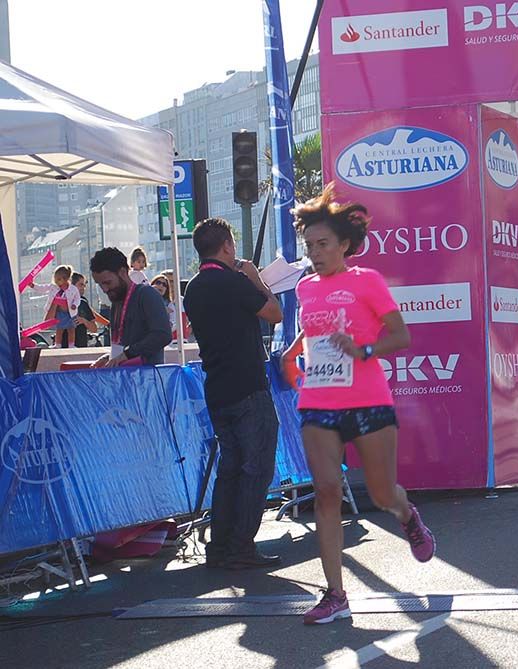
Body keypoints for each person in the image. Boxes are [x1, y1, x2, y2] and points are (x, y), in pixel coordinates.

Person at [279, 186, 436, 625]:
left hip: (368, 401)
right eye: (309, 246)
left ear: (344, 244)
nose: (315, 253)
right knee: (327, 493)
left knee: (384, 494)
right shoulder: (305, 287)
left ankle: (407, 517)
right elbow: (316, 330)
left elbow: (400, 337)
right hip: (319, 403)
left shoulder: (367, 281)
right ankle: (335, 594)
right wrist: (293, 352)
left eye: (323, 244)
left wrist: (363, 349)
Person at [183, 219, 284, 569]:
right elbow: (274, 313)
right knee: (256, 469)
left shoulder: (192, 287)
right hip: (248, 386)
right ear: (227, 246)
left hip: (218, 388)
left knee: (230, 469)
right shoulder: (234, 281)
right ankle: (241, 546)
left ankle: (220, 546)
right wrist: (256, 279)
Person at [89, 248, 171, 367]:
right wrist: (110, 357)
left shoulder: (146, 294)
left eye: (107, 282)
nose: (104, 289)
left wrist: (127, 354)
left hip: (146, 379)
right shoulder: (116, 303)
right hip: (123, 379)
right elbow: (123, 345)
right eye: (100, 284)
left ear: (122, 272)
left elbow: (162, 335)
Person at [29, 264, 80, 348]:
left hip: (70, 313)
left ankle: (71, 344)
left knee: (71, 329)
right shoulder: (54, 287)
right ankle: (57, 344)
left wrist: (75, 304)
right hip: (59, 312)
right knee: (59, 330)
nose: (57, 282)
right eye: (56, 280)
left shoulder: (73, 289)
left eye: (59, 280)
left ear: (66, 278)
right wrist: (33, 285)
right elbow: (43, 288)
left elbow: (77, 298)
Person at [61, 272, 101, 348]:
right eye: (81, 285)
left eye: (84, 285)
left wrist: (84, 321)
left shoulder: (83, 303)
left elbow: (94, 328)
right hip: (64, 349)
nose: (83, 288)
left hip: (81, 348)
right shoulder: (60, 302)